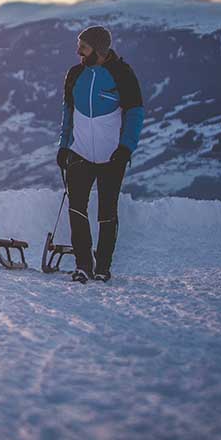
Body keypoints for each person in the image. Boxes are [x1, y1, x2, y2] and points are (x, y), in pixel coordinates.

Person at [57, 26, 144, 283]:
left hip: (112, 157)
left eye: (83, 47)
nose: (78, 51)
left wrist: (126, 148)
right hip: (80, 153)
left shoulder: (122, 74)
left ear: (99, 50)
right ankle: (83, 264)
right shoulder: (75, 75)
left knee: (107, 212)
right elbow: (68, 113)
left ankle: (103, 266)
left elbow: (135, 114)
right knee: (77, 209)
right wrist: (63, 146)